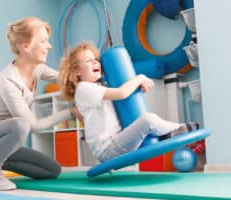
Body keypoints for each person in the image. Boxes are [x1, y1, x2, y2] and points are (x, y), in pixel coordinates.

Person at [0, 17, 81, 191]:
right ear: (25, 46)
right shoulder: (8, 81)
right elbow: (33, 126)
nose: (48, 46)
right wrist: (70, 112)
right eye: (43, 41)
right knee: (22, 124)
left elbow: (63, 78)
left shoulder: (37, 69)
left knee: (52, 170)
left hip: (1, 143)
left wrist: (85, 76)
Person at [58, 42, 198, 163]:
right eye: (89, 60)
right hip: (107, 148)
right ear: (77, 71)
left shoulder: (100, 87)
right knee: (147, 120)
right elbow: (122, 93)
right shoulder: (83, 89)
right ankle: (178, 129)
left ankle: (167, 134)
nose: (96, 62)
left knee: (148, 121)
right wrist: (140, 78)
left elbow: (122, 92)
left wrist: (137, 85)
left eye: (96, 59)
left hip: (116, 141)